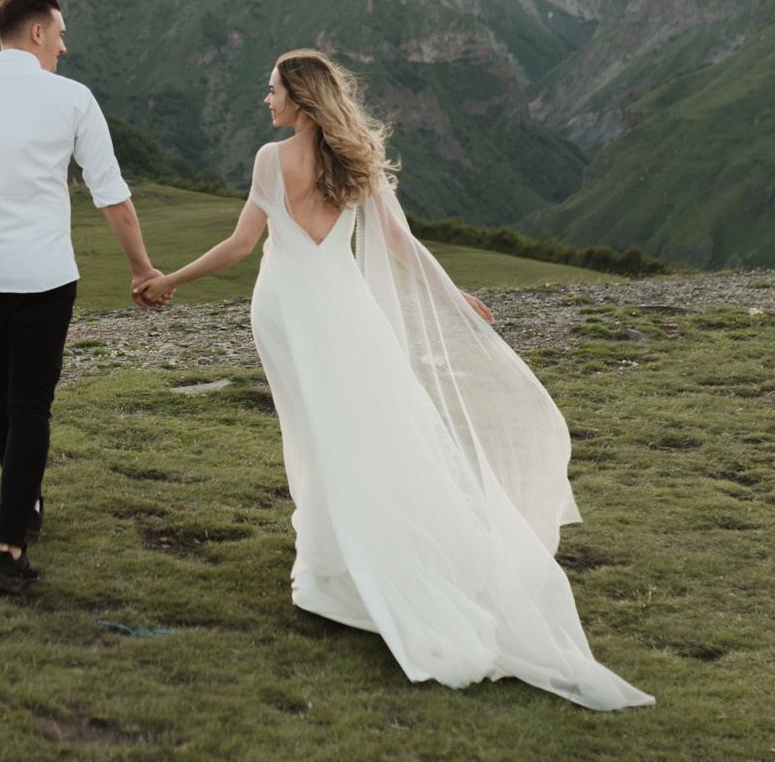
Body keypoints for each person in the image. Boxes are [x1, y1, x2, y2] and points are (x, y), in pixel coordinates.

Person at [133, 50, 653, 711]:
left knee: (316, 435)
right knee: (370, 428)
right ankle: (346, 554)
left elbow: (241, 246)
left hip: (288, 312)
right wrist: (455, 296)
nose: (266, 100)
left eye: (272, 91)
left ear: (299, 98)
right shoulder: (357, 158)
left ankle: (337, 563)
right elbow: (406, 245)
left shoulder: (272, 160)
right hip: (346, 312)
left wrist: (168, 280)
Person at [0, 0, 164, 596]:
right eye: (60, 32)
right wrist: (141, 268)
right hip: (45, 276)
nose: (64, 44)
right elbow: (111, 192)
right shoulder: (72, 99)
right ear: (35, 33)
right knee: (31, 403)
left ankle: (23, 505)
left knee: (0, 387)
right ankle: (9, 549)